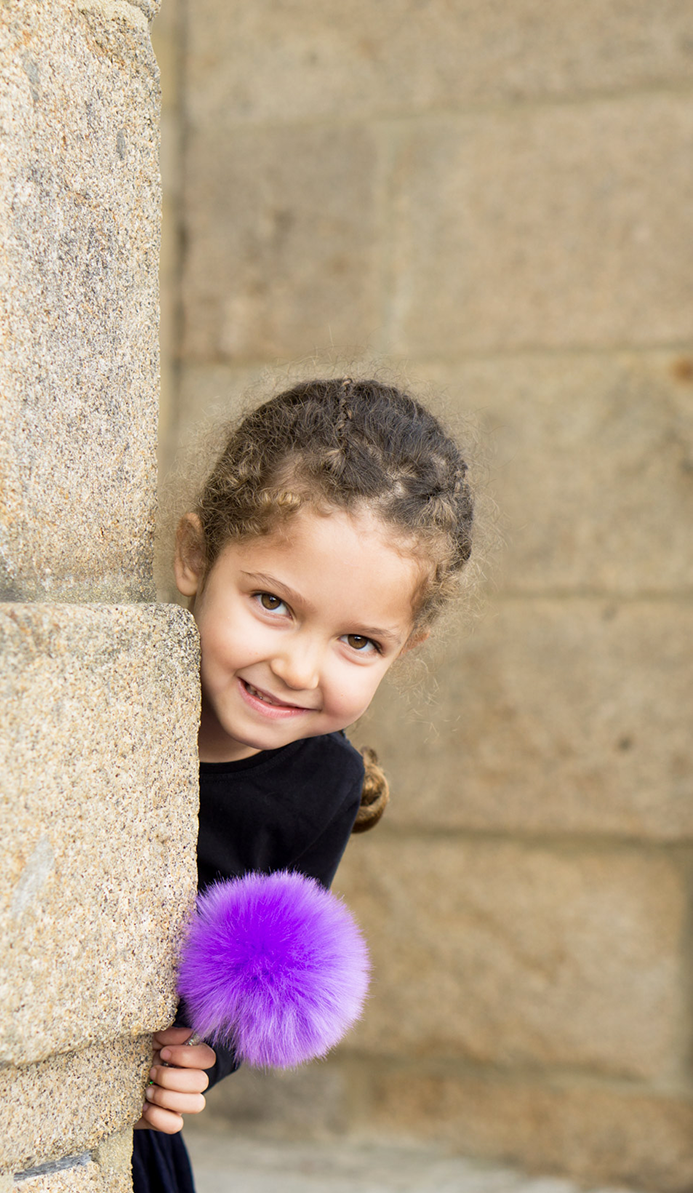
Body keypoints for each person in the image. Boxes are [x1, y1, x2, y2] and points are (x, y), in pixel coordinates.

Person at [131, 377, 475, 1192]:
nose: (298, 666)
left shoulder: (326, 783)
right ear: (195, 556)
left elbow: (257, 981)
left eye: (358, 640)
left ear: (405, 647)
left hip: (129, 1122)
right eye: (273, 603)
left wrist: (200, 1061)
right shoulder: (114, 702)